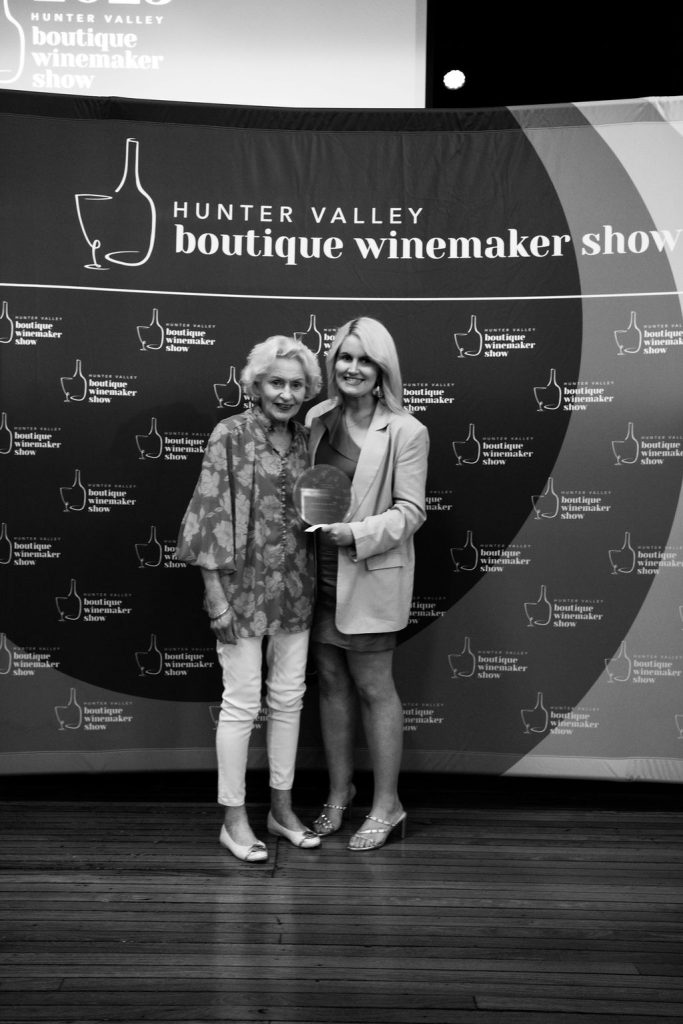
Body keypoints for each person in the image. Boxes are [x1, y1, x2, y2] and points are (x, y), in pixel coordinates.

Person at [177, 335, 323, 863]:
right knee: (241, 702)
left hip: (296, 589)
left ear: (308, 390)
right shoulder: (231, 433)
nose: (286, 393)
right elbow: (208, 513)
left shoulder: (308, 441)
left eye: (297, 384)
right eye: (276, 382)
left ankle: (281, 811)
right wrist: (215, 597)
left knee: (288, 699)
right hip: (240, 591)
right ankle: (234, 820)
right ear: (256, 385)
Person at [306, 317, 429, 851]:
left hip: (368, 576)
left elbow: (411, 512)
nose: (352, 368)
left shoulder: (406, 430)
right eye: (345, 357)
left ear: (382, 370)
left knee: (375, 690)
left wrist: (353, 534)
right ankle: (340, 793)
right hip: (315, 580)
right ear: (332, 361)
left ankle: (387, 806)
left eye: (365, 360)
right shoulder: (316, 418)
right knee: (331, 684)